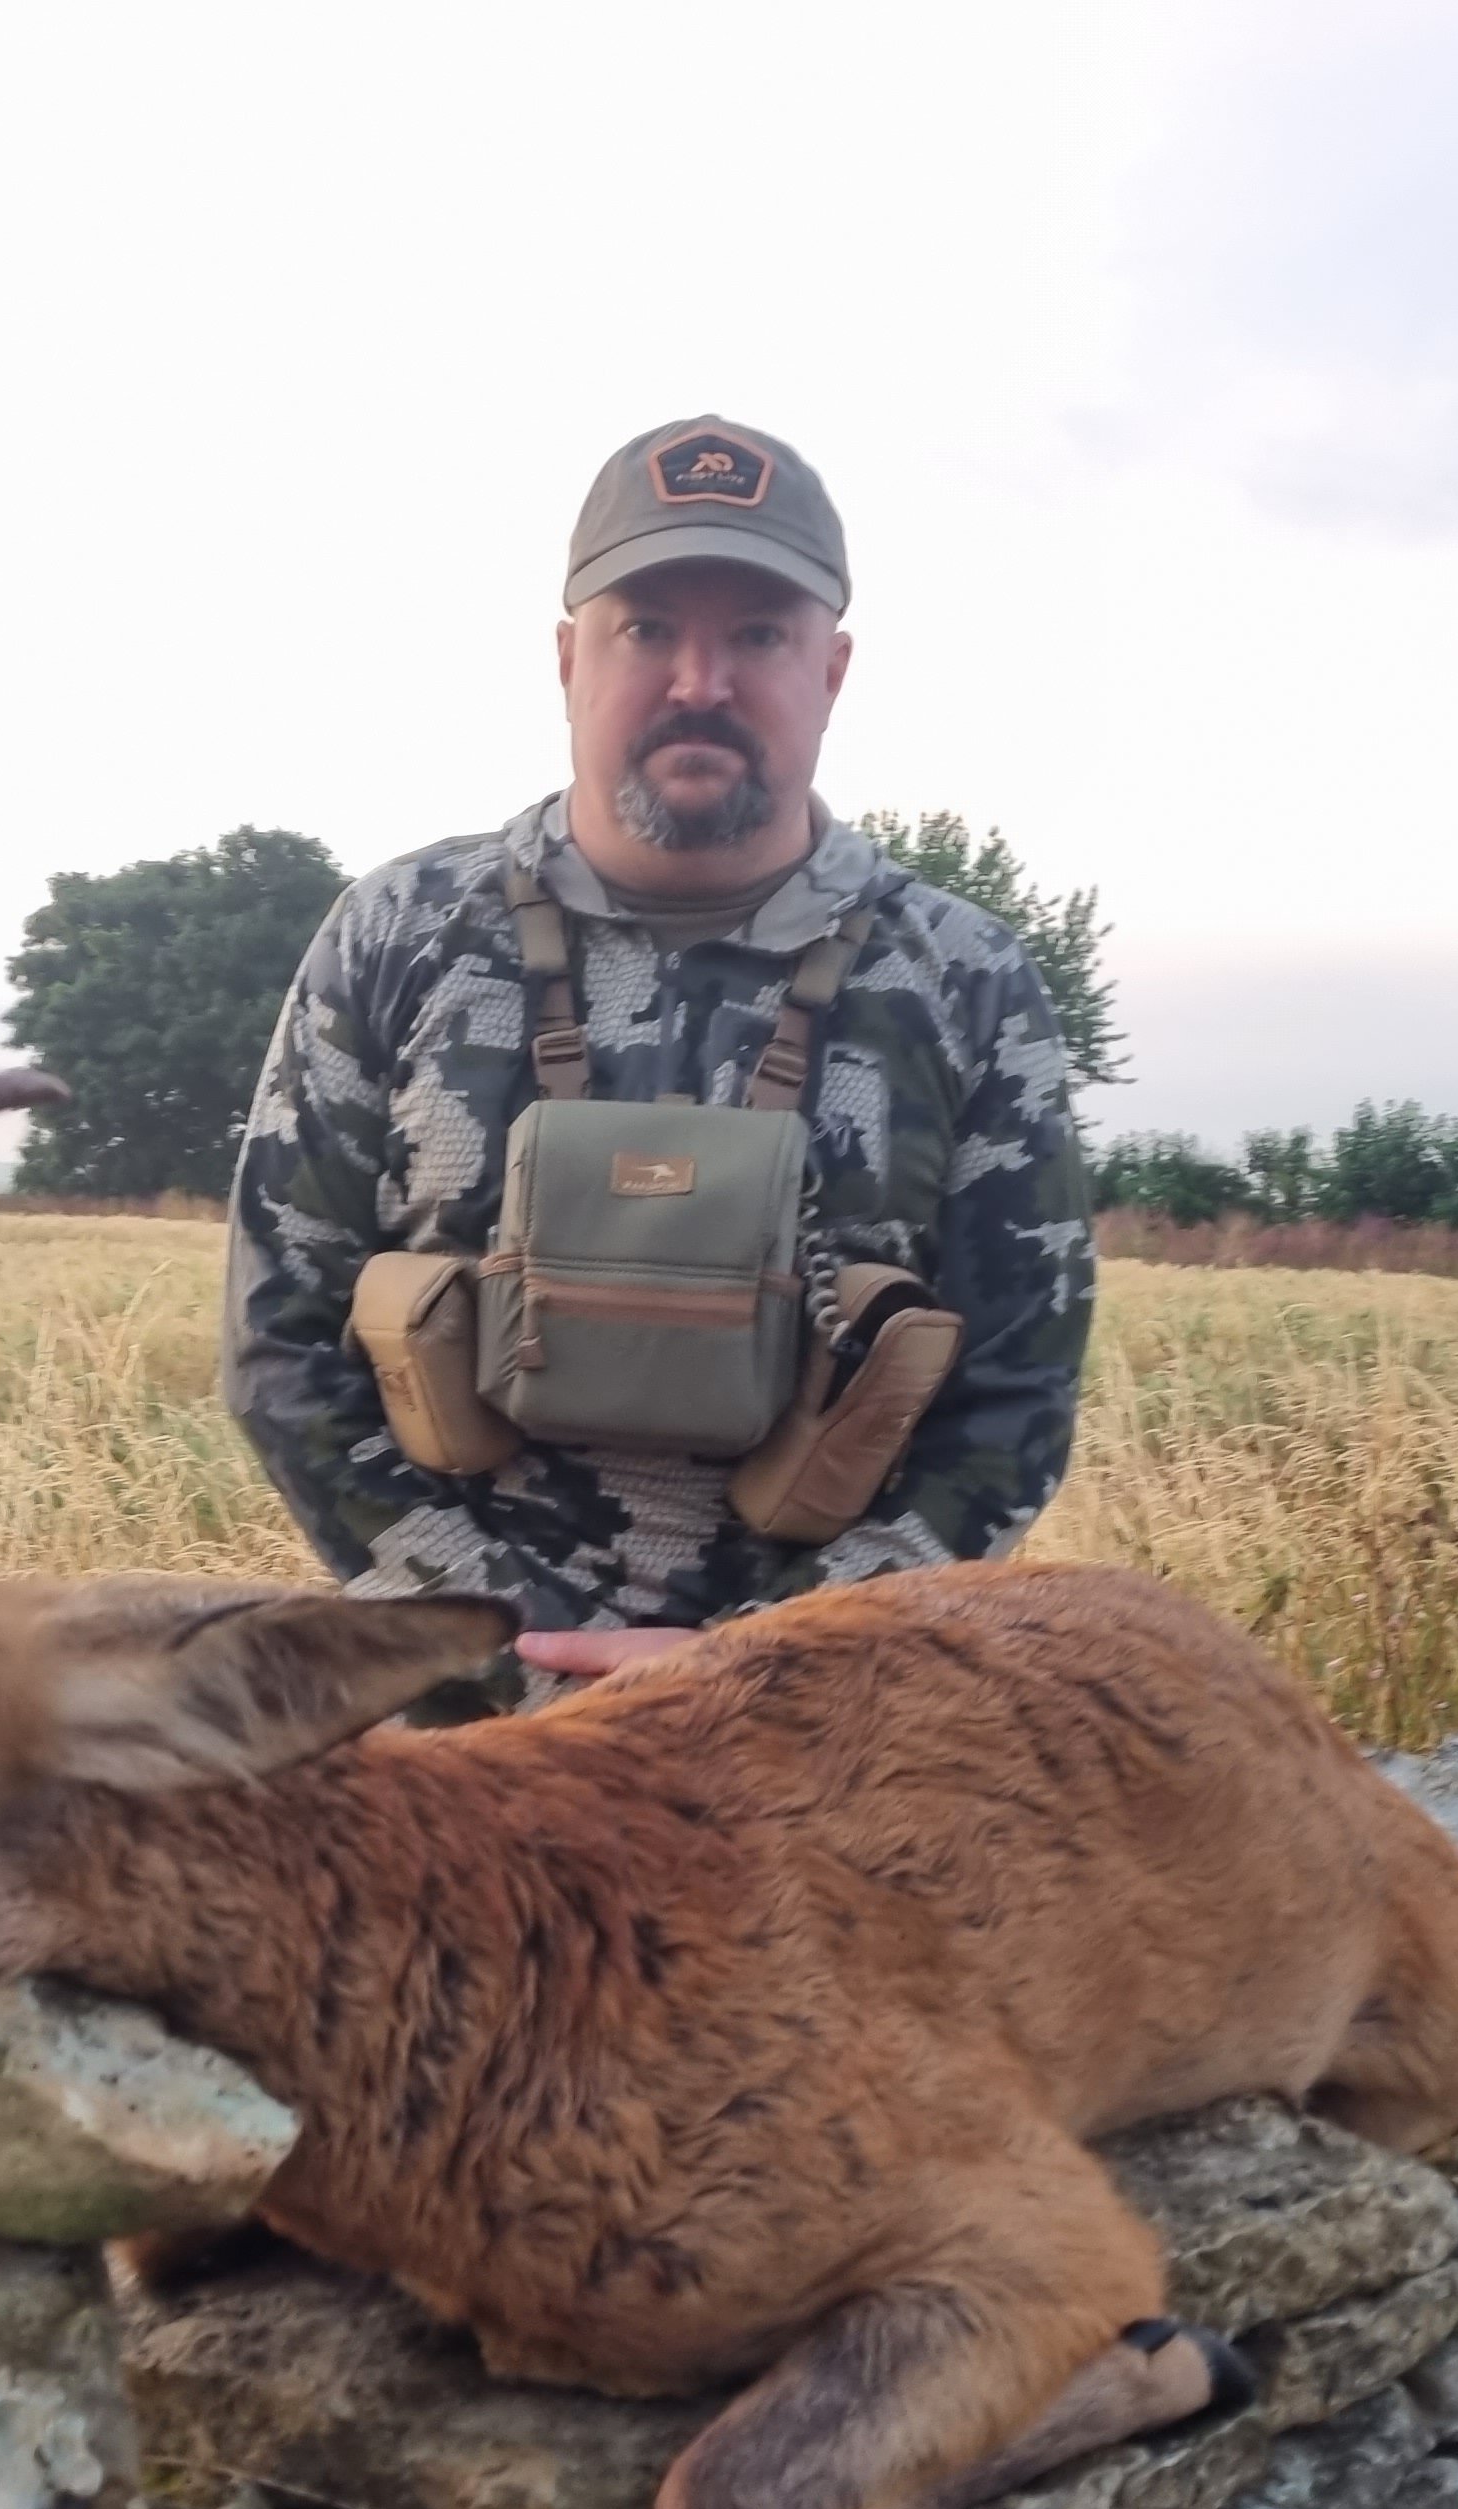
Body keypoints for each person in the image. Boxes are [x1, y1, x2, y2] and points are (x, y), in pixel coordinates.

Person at [220, 415, 1095, 1691]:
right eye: (647, 628)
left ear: (833, 670)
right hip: (455, 1728)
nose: (701, 681)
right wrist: (496, 1649)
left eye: (758, 633)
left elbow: (1013, 1408)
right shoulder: (398, 934)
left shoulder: (968, 982)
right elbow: (281, 1344)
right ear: (568, 656)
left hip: (822, 1740)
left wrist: (757, 1673)